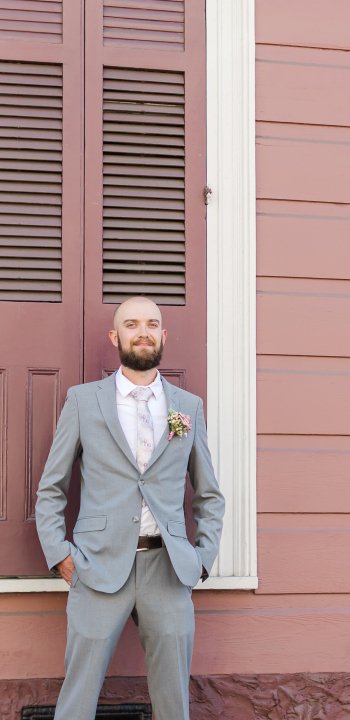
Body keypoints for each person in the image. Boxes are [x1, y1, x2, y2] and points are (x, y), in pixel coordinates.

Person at [35, 296, 225, 720]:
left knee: (173, 699)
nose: (143, 332)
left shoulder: (187, 407)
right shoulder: (84, 401)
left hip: (168, 569)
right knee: (78, 697)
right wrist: (61, 555)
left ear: (163, 335)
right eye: (132, 324)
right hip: (97, 566)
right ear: (115, 336)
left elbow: (208, 494)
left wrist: (203, 559)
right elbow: (52, 488)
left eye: (152, 324)